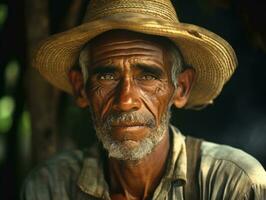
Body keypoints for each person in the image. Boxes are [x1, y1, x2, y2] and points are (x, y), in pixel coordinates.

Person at [21, 0, 266, 199]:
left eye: (148, 76)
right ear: (81, 88)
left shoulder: (233, 183)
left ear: (180, 88)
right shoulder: (50, 187)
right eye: (107, 75)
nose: (126, 100)